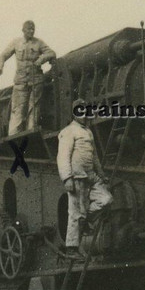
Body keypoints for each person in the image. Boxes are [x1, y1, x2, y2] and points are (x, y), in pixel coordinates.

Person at [57, 99, 112, 250]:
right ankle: (72, 247)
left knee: (106, 199)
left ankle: (86, 219)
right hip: (76, 177)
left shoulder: (88, 132)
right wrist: (67, 178)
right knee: (75, 212)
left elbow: (94, 157)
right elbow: (63, 157)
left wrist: (101, 174)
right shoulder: (68, 131)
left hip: (90, 175)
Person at [0, 20, 56, 136]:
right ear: (23, 30)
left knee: (34, 108)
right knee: (18, 109)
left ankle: (31, 133)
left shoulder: (38, 43)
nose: (32, 31)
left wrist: (41, 59)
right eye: (29, 29)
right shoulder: (16, 43)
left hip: (36, 79)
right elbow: (4, 55)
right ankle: (13, 136)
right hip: (20, 80)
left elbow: (52, 53)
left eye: (33, 29)